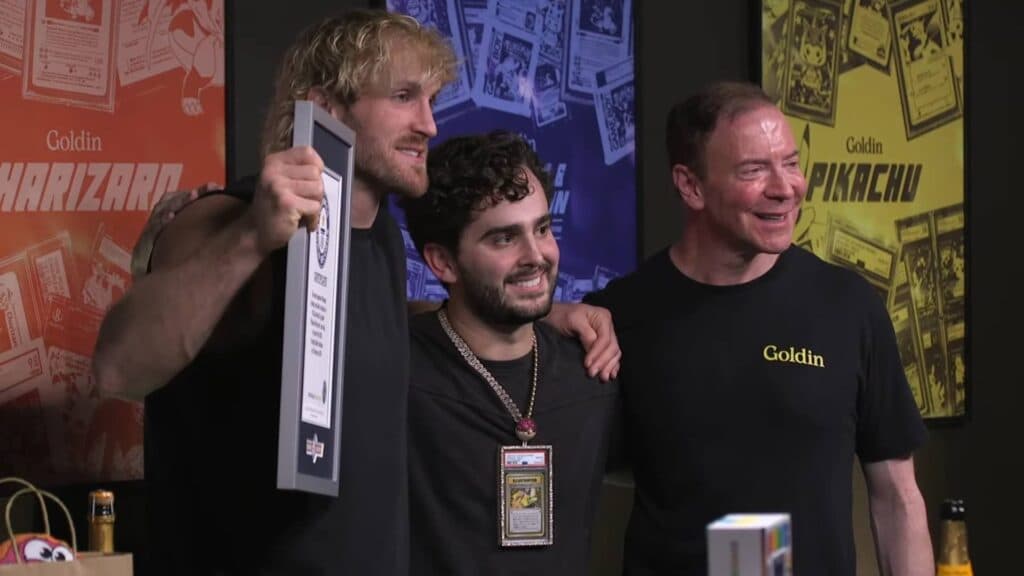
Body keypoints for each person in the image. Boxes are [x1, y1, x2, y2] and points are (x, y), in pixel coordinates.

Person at [92, 10, 617, 575]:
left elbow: (365, 324)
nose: (429, 125)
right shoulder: (230, 217)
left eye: (431, 101)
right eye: (402, 97)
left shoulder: (374, 231)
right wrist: (249, 238)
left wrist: (534, 313)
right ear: (325, 108)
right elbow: (119, 368)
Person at [584, 81, 933, 576]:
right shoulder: (618, 316)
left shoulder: (847, 305)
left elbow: (898, 499)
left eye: (791, 162)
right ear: (690, 185)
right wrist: (555, 315)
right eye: (754, 170)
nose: (785, 186)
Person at [401, 131, 620, 575]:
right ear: (443, 262)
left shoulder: (594, 366)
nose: (535, 255)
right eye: (504, 239)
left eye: (541, 229)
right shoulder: (394, 369)